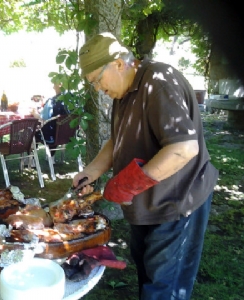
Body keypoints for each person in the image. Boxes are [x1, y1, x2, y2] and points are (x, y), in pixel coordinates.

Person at [73, 32, 219, 300]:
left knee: (163, 287)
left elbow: (184, 148)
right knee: (147, 274)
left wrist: (126, 185)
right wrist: (91, 172)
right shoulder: (124, 93)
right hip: (147, 203)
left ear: (118, 63)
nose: (97, 89)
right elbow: (118, 138)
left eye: (96, 80)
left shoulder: (160, 82)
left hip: (176, 202)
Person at [33, 82, 69, 164]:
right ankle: (51, 157)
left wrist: (34, 113)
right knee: (56, 128)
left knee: (33, 132)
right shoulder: (74, 100)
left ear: (60, 85)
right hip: (69, 135)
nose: (53, 87)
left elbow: (43, 118)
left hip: (52, 136)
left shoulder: (52, 101)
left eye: (54, 85)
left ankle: (32, 161)